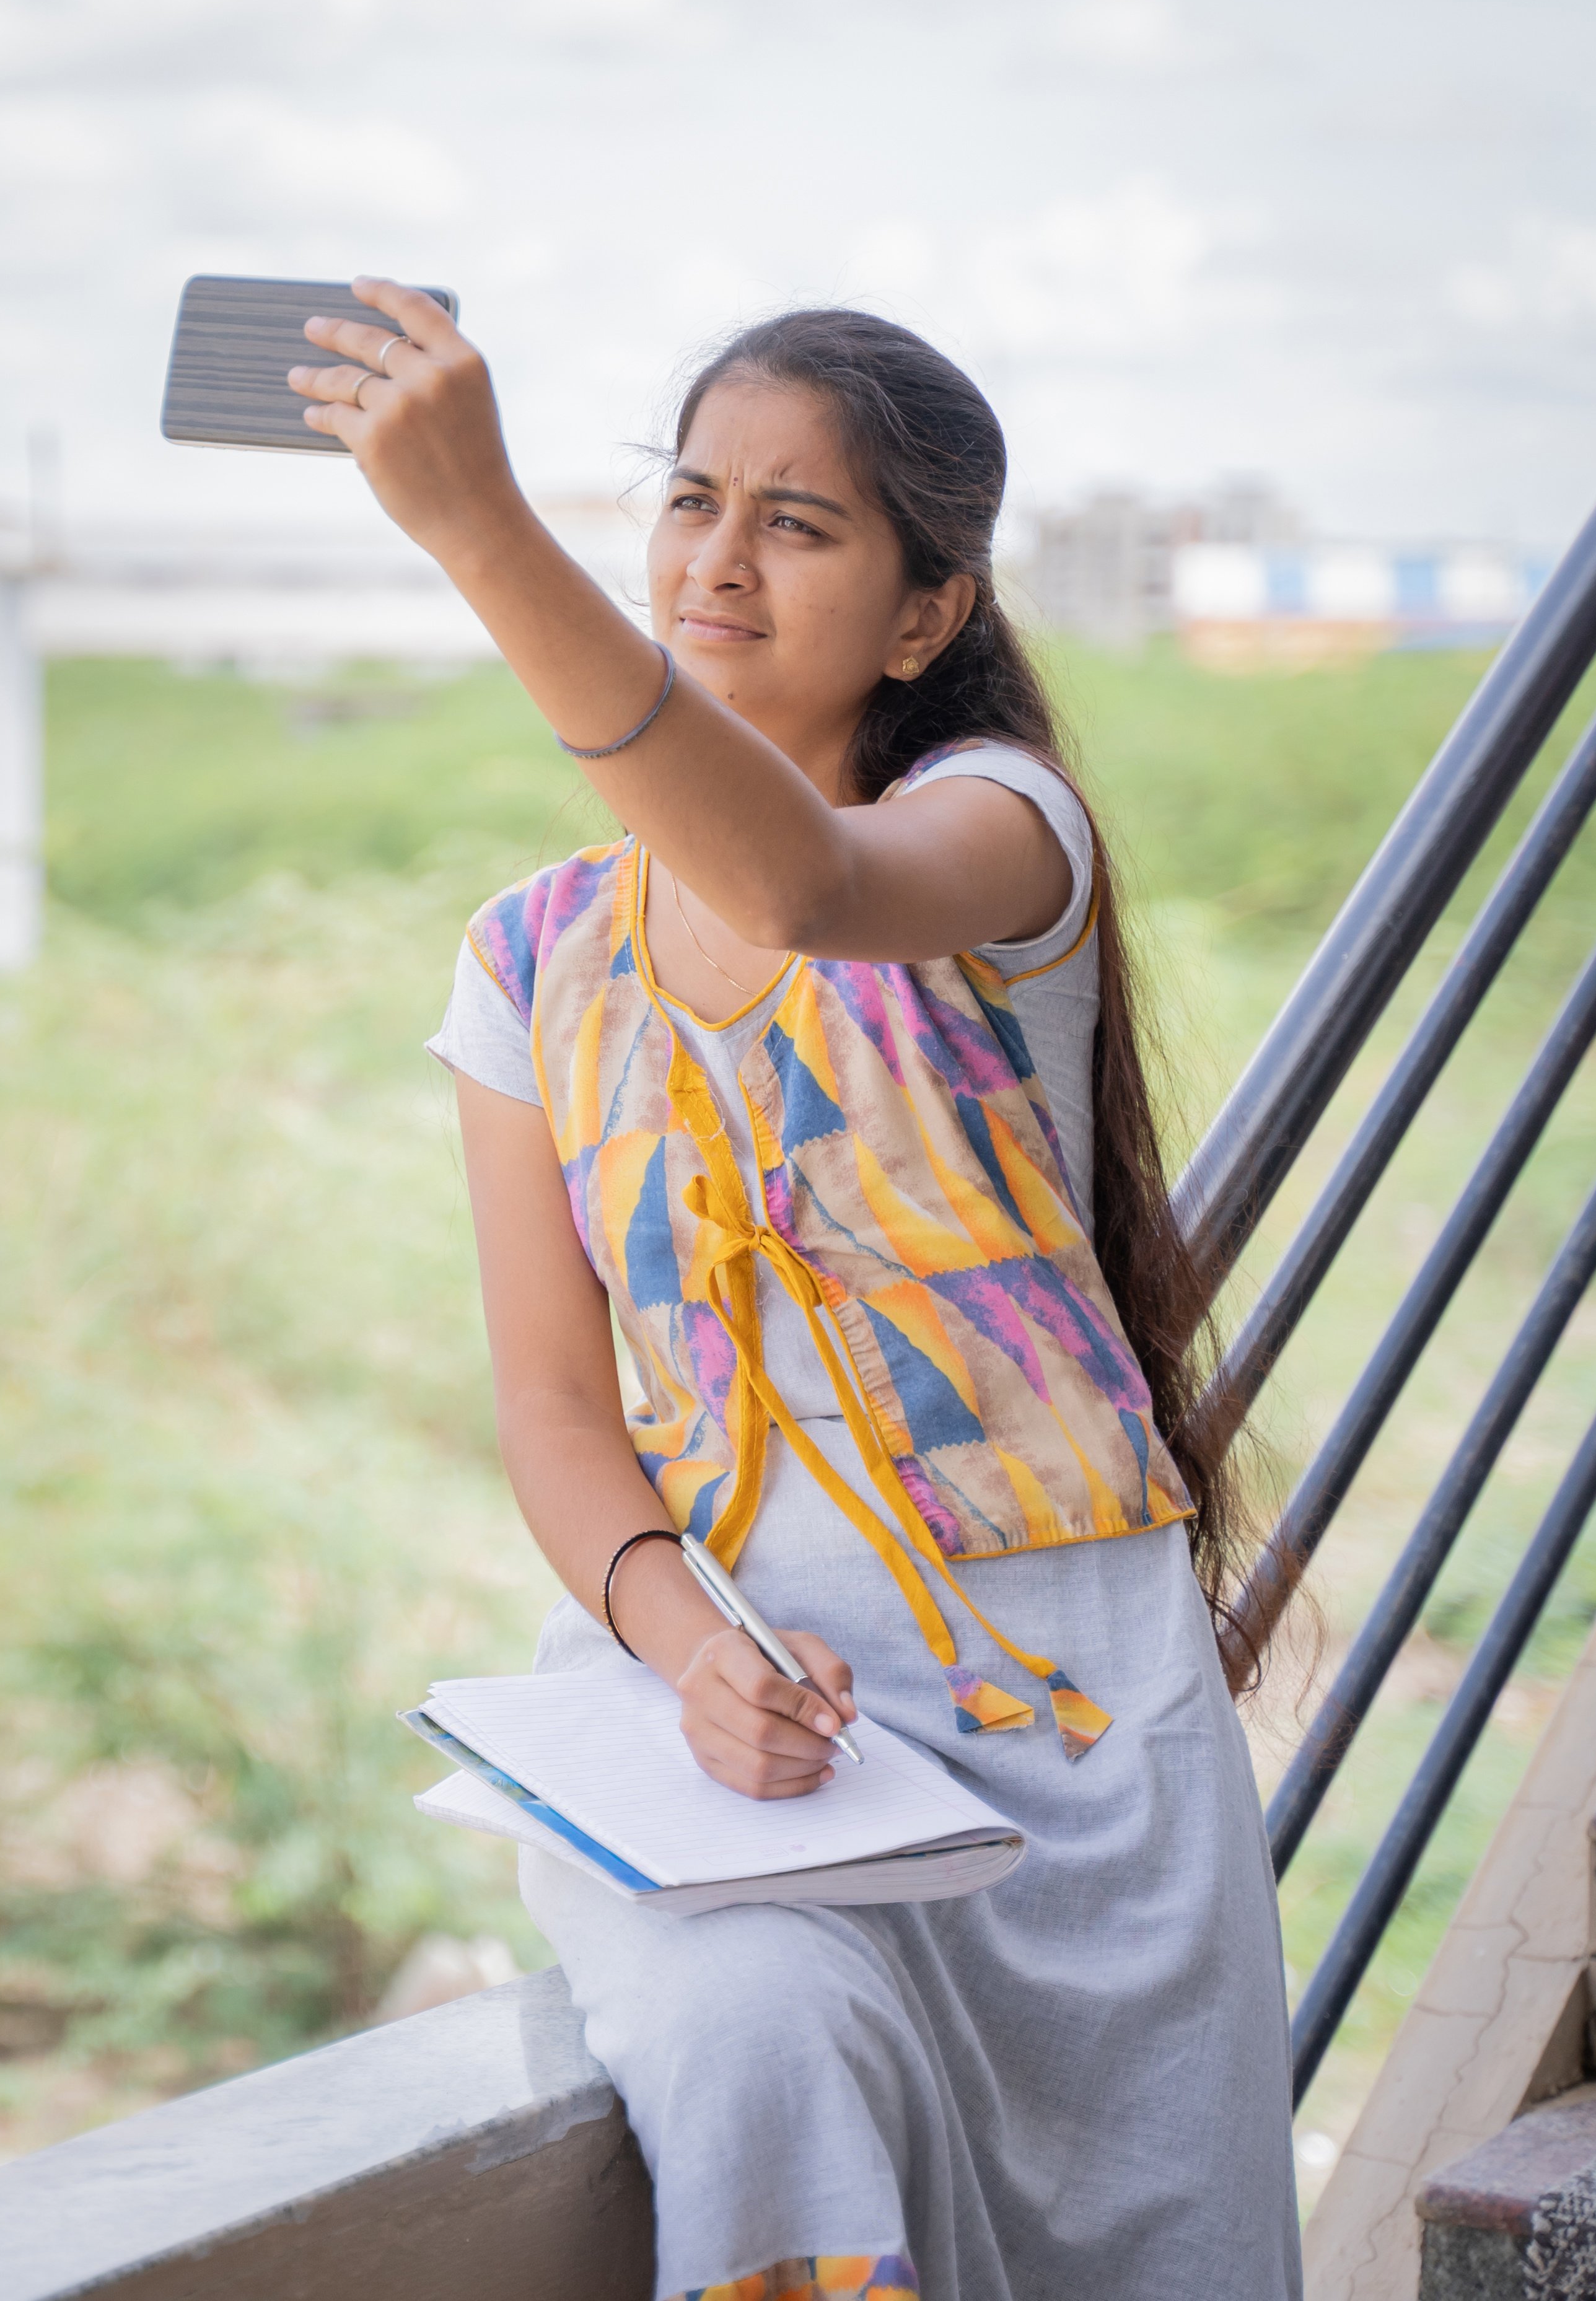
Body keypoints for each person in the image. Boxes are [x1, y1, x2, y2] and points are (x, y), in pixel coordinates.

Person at [289, 287, 1298, 2300]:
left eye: (799, 523)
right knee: (754, 2040)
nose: (715, 562)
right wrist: (684, 1649)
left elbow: (799, 893)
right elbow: (560, 1417)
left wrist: (483, 528)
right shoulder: (535, 961)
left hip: (1072, 1745)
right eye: (688, 502)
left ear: (927, 613)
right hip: (732, 1737)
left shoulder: (1004, 840)